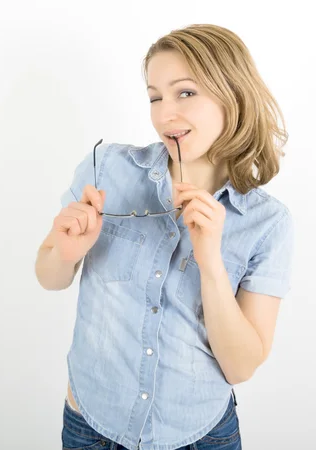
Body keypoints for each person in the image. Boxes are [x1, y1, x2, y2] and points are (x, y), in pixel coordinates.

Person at [35, 24, 294, 450]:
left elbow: (240, 367)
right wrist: (64, 253)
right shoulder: (107, 170)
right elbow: (49, 275)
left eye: (185, 93)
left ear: (232, 93)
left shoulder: (267, 223)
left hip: (200, 436)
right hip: (91, 427)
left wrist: (210, 263)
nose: (163, 114)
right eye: (155, 97)